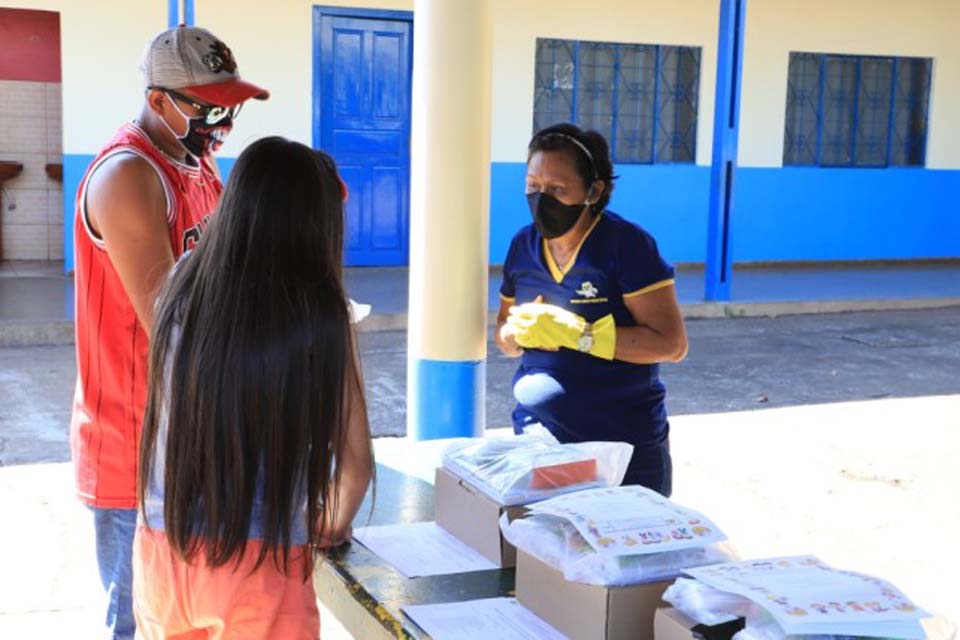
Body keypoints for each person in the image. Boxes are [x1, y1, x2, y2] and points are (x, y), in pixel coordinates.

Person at [70, 25, 267, 638]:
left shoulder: (201, 168)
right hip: (135, 449)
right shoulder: (128, 177)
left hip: (196, 439)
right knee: (141, 623)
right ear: (158, 101)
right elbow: (174, 325)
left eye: (228, 105)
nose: (221, 121)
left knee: (193, 619)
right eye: (206, 106)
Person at [135, 137, 373, 639]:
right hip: (260, 567)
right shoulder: (320, 310)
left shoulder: (180, 283)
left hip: (163, 547)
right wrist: (329, 522)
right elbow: (355, 466)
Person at [495, 123, 688, 497]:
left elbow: (671, 344)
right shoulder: (523, 245)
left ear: (594, 190)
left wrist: (578, 335)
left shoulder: (626, 246)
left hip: (622, 450)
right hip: (540, 445)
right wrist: (514, 333)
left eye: (557, 189)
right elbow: (503, 332)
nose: (541, 198)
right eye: (533, 186)